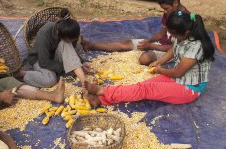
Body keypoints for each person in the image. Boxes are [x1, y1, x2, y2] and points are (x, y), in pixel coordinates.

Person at [83, 11, 215, 107]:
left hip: (189, 88)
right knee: (142, 86)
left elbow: (178, 72)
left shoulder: (196, 47)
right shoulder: (182, 36)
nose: (171, 36)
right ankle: (102, 100)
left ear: (185, 32)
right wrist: (159, 61)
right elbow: (173, 50)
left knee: (146, 90)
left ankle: (102, 91)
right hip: (178, 78)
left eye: (173, 34)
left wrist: (160, 70)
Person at [81, 0, 189, 66]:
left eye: (166, 9)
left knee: (145, 59)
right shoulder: (170, 12)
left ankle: (150, 52)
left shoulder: (185, 20)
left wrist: (151, 46)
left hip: (173, 51)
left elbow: (173, 49)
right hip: (161, 44)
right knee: (125, 44)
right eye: (163, 9)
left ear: (175, 3)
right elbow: (162, 32)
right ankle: (91, 45)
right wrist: (149, 40)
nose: (165, 12)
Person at [18, 8, 90, 88]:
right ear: (60, 35)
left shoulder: (67, 34)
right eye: (69, 40)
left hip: (54, 56)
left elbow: (70, 51)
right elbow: (43, 62)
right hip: (39, 58)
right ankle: (23, 74)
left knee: (66, 45)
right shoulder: (45, 33)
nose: (71, 43)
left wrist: (80, 62)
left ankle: (84, 81)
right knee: (50, 80)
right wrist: (66, 67)